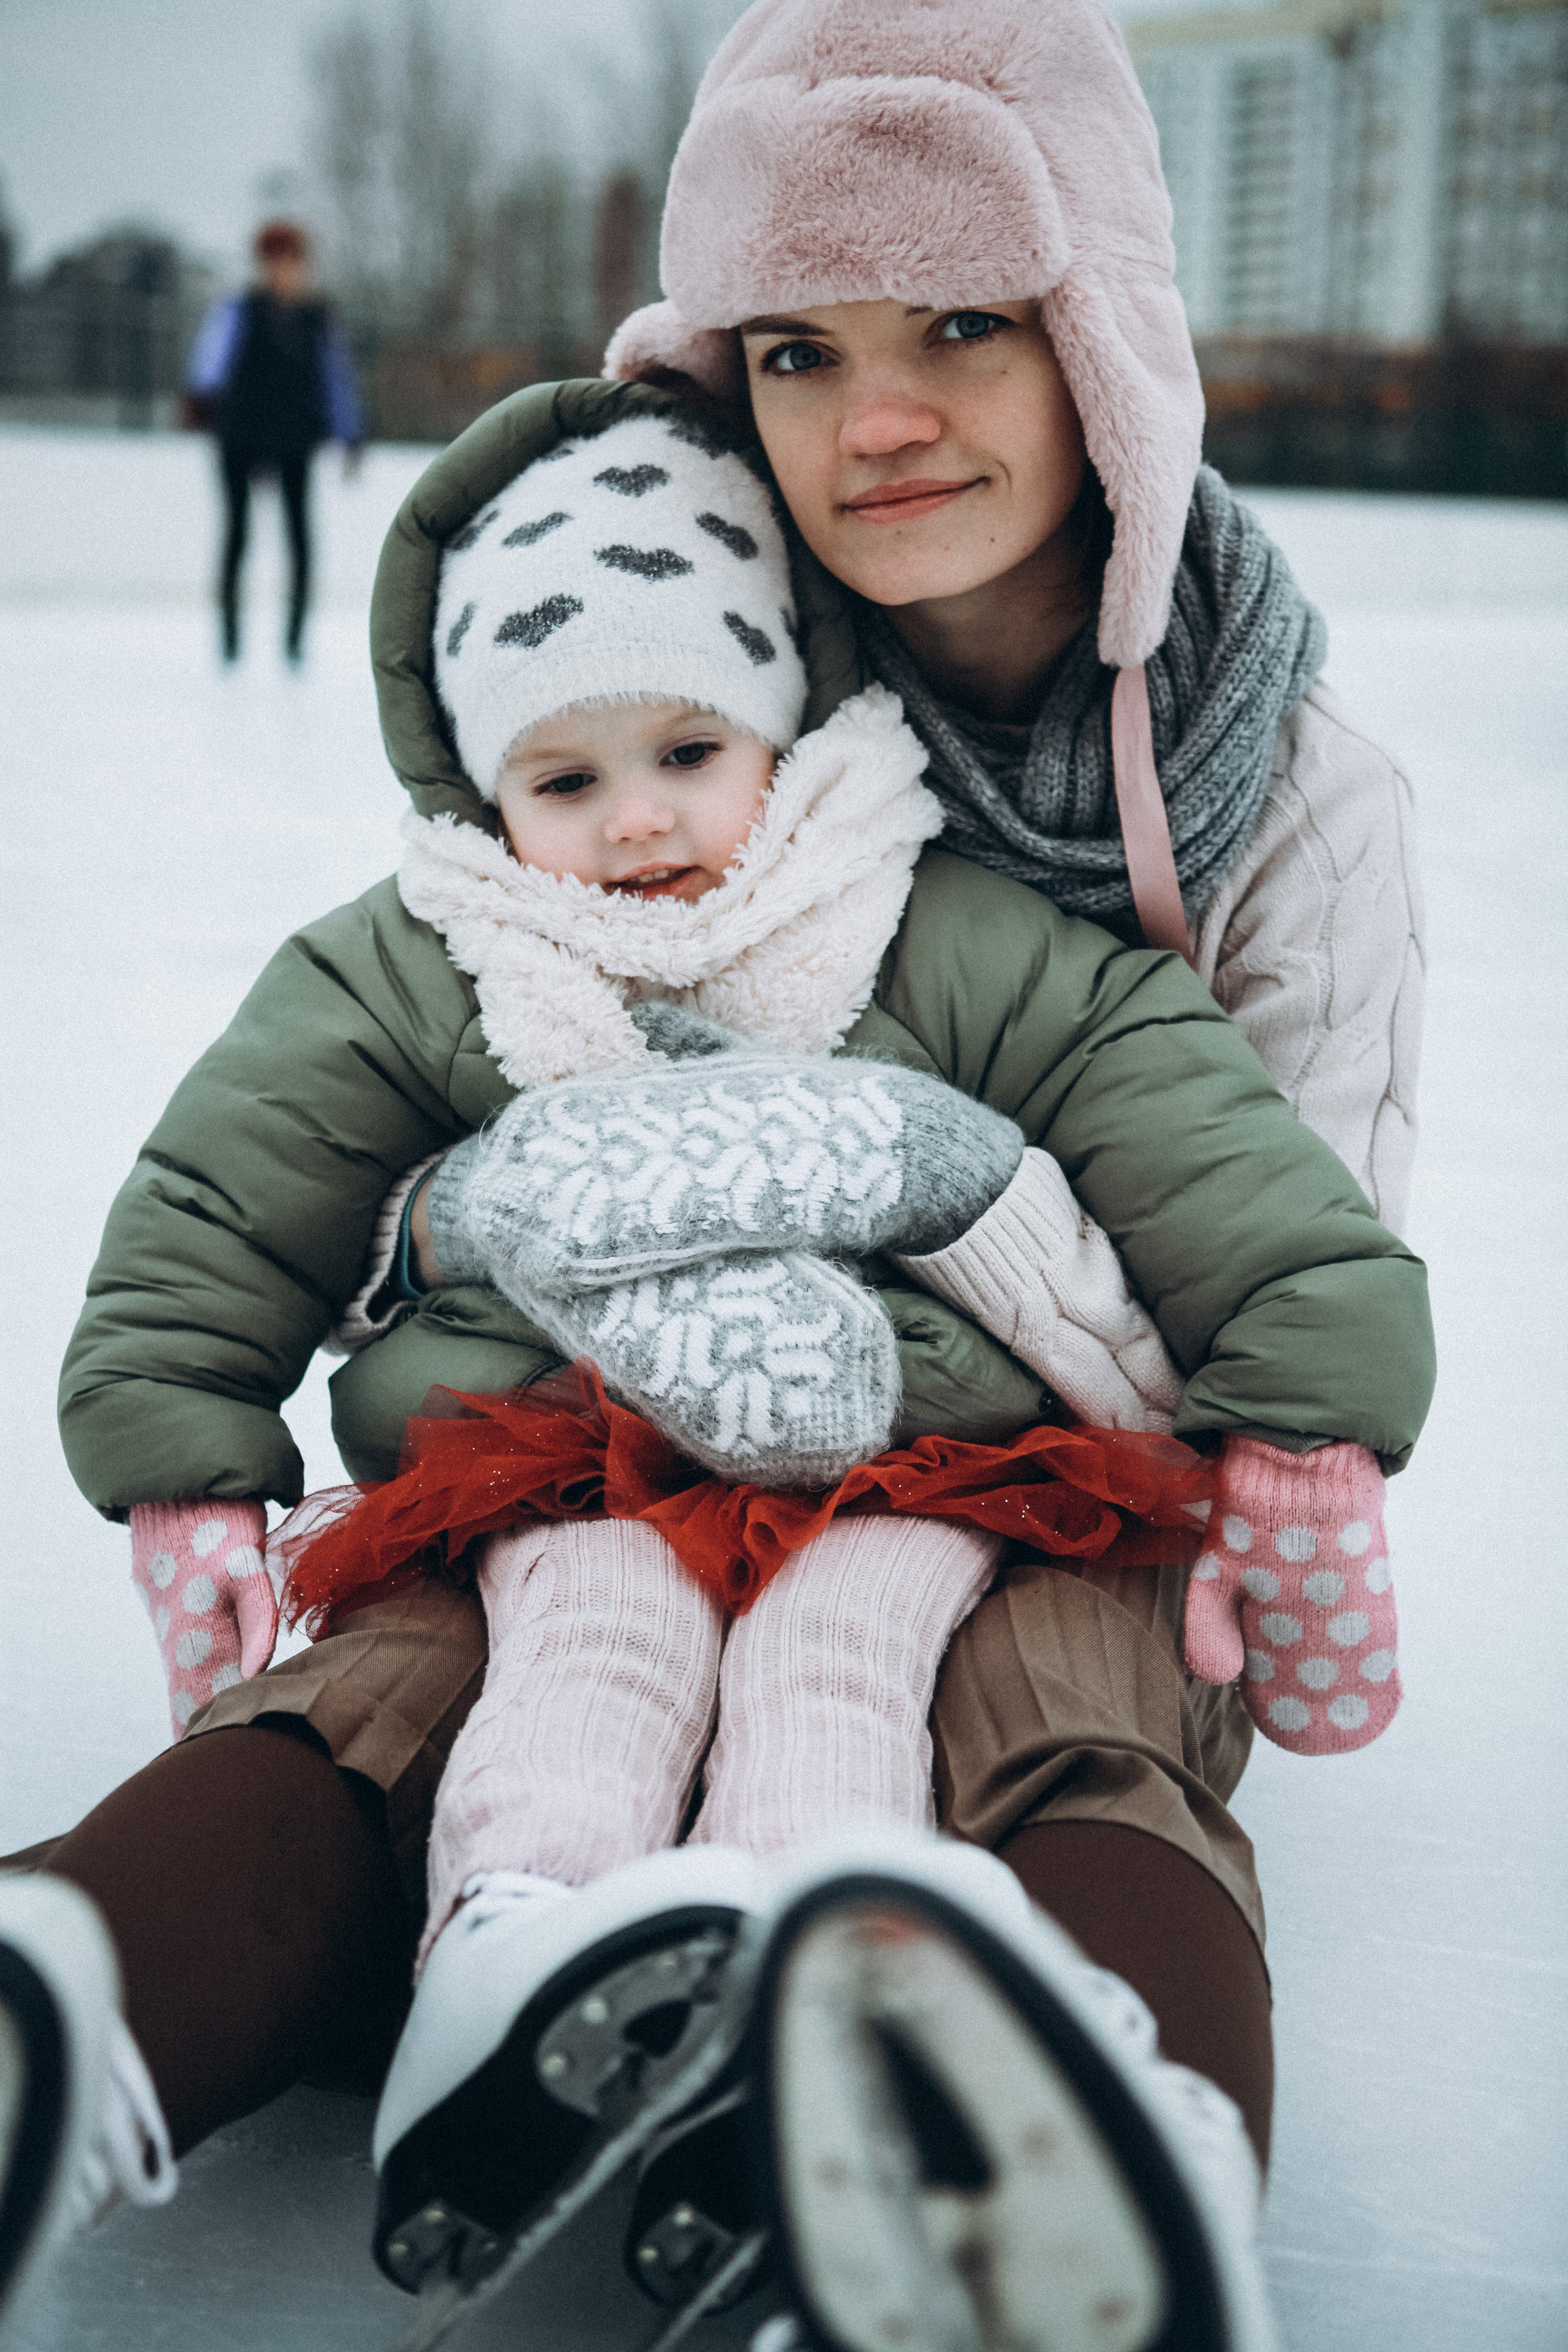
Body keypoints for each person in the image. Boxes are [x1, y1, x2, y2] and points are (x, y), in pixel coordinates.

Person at [19, 0, 1428, 2340]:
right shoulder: (691, 641)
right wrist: (452, 1237)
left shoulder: (1281, 802)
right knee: (399, 1682)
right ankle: (87, 1989)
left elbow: (1254, 1251)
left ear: (1098, 332)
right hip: (572, 1415)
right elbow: (383, 1068)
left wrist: (928, 1209)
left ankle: (1087, 2145)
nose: (877, 419)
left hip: (1048, 1466)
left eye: (965, 323)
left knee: (1055, 1717)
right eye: (797, 345)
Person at [182, 219, 363, 665]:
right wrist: (201, 398)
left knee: (300, 540)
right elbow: (211, 358)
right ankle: (230, 644)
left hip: (294, 439)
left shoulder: (318, 319)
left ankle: (294, 645)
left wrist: (350, 433)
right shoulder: (241, 310)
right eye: (275, 262)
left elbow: (334, 379)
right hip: (241, 434)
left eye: (292, 262)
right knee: (237, 536)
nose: (284, 271)